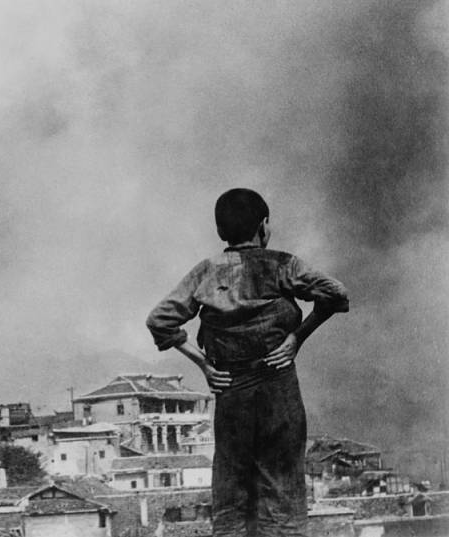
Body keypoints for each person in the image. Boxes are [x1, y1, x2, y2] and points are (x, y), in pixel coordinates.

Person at [146, 188, 349, 537]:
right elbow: (336, 294)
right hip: (278, 388)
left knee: (232, 494)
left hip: (231, 391)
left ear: (220, 231)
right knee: (282, 491)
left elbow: (159, 320)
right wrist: (297, 338)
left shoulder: (207, 271)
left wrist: (204, 365)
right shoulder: (283, 264)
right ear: (263, 226)